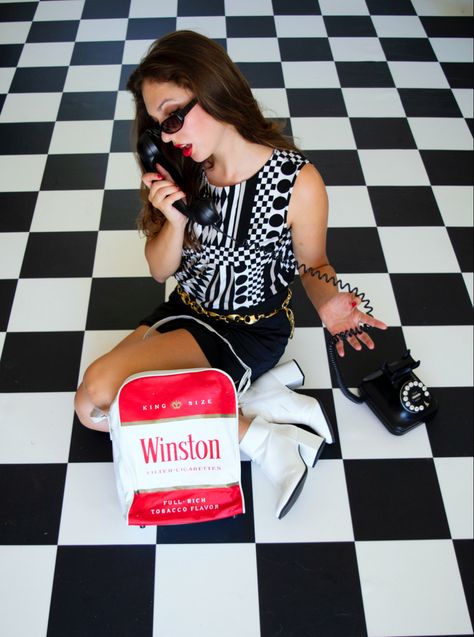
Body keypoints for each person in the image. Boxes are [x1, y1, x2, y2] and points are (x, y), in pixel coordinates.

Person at [74, 30, 387, 519]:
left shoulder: (295, 182)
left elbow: (315, 264)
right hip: (187, 310)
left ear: (213, 88)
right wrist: (174, 221)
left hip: (248, 327)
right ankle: (252, 411)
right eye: (160, 127)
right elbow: (160, 272)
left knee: (102, 390)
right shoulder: (184, 168)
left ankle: (269, 443)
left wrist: (331, 301)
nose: (170, 136)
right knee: (91, 414)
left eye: (174, 115)